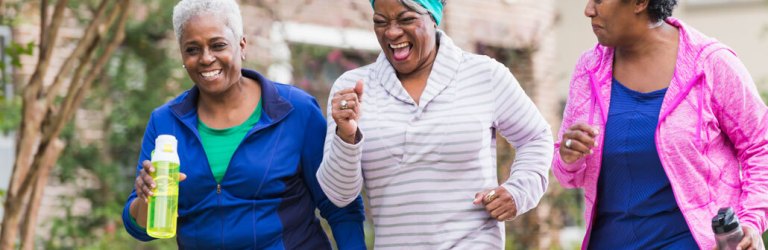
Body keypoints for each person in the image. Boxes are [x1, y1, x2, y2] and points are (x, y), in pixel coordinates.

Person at [120, 0, 366, 249]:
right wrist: (145, 198)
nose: (206, 58)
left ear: (242, 45)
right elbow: (140, 229)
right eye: (192, 50)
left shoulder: (295, 111)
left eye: (218, 45)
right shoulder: (165, 122)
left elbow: (339, 205)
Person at [315, 0, 554, 248]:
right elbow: (339, 196)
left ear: (433, 17)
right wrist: (347, 135)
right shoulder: (352, 87)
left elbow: (535, 137)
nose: (392, 32)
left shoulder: (484, 75)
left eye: (406, 19)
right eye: (380, 22)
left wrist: (519, 191)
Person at [552, 0, 768, 249]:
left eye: (599, 0)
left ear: (640, 2)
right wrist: (569, 155)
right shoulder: (589, 69)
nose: (588, 10)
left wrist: (752, 219)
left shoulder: (710, 64)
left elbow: (760, 145)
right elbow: (568, 176)